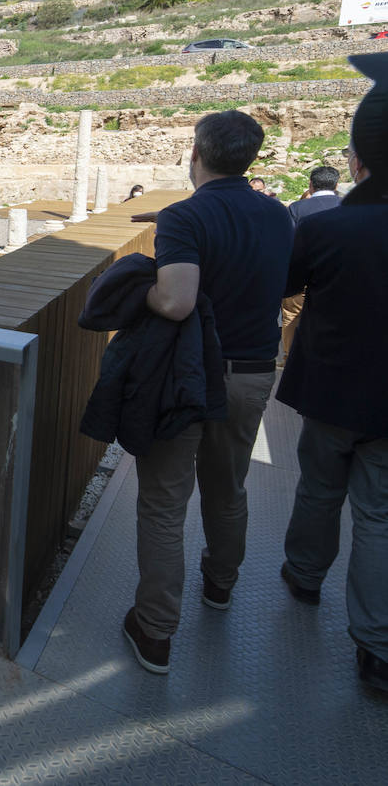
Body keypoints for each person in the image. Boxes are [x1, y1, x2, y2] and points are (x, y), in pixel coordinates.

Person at [122, 110, 293, 675]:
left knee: (165, 502)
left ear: (195, 152)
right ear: (250, 158)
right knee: (229, 488)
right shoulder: (277, 215)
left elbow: (176, 301)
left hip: (189, 376)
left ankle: (155, 632)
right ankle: (220, 587)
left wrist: (137, 288)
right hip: (252, 372)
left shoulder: (184, 217)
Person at [278, 53, 388, 695]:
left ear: (358, 158)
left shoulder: (332, 227)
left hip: (333, 387)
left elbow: (289, 287)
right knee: (379, 515)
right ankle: (375, 648)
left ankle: (304, 576)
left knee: (320, 489)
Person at [280, 165, 342, 360]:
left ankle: (290, 357)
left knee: (292, 316)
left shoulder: (297, 208)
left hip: (300, 276)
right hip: (335, 277)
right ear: (336, 184)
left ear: (311, 185)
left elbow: (287, 243)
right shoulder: (347, 206)